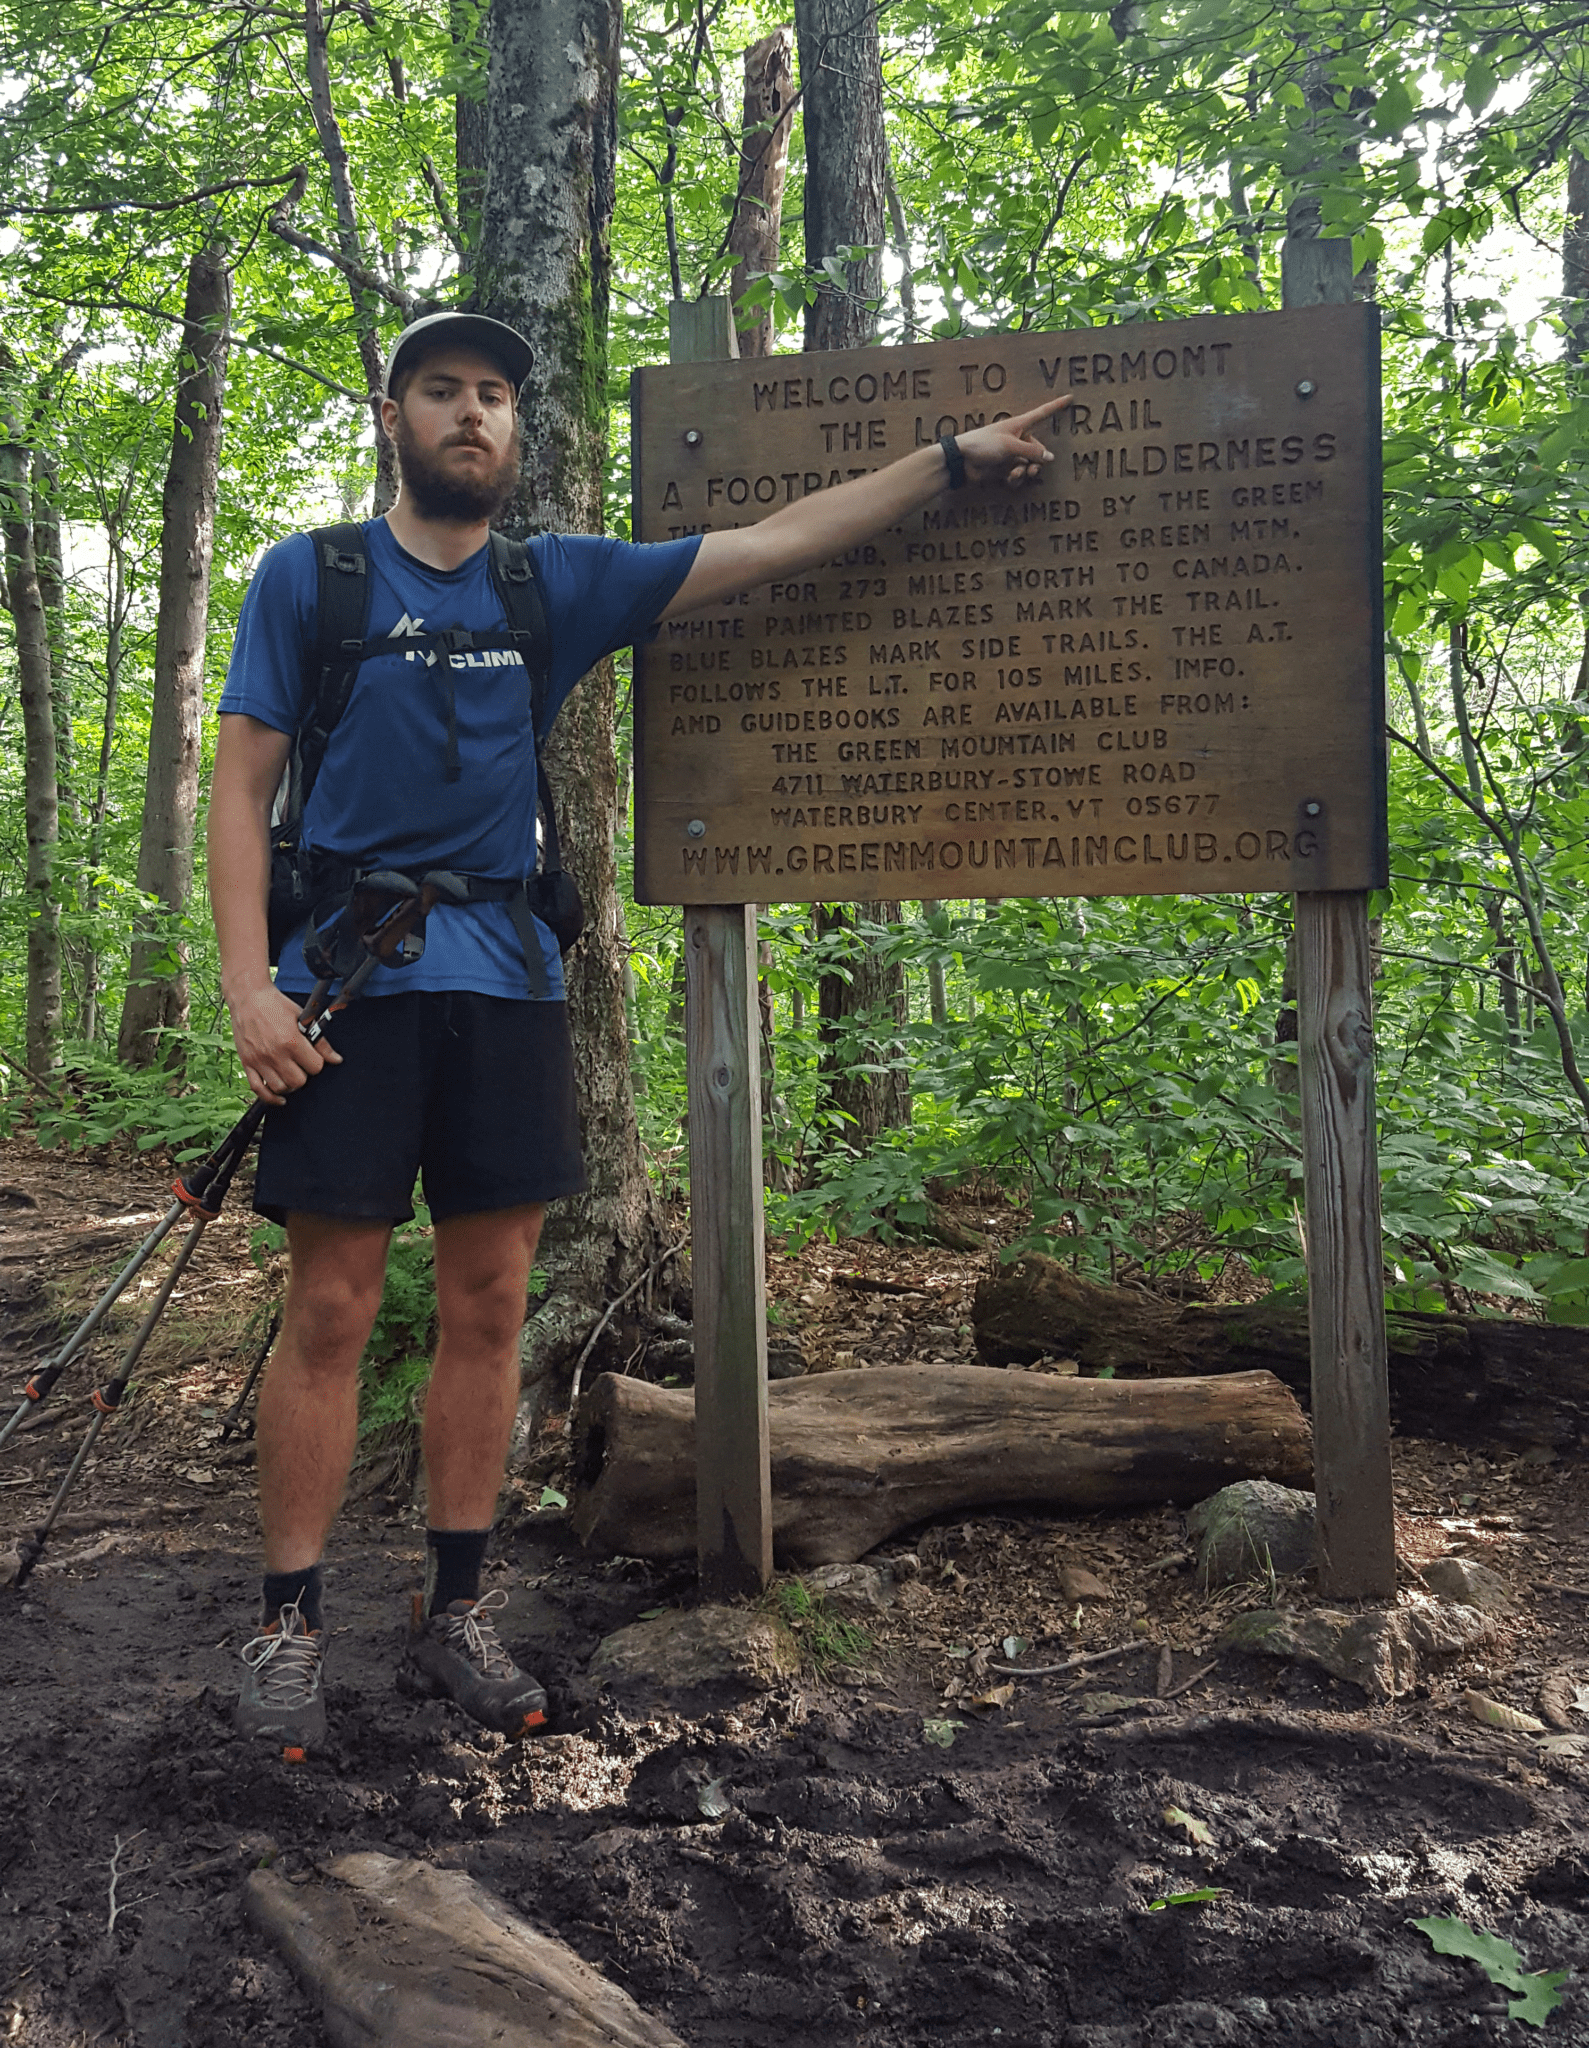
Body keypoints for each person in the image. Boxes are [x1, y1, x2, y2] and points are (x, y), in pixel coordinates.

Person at [209, 308, 1068, 1753]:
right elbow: (239, 790)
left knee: (489, 1306)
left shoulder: (558, 585)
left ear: (515, 431)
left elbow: (771, 545)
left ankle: (455, 1613)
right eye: (442, 393)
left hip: (508, 982)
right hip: (345, 990)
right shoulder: (313, 579)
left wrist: (949, 462)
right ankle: (289, 1622)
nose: (470, 415)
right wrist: (249, 986)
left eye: (493, 396)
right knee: (334, 1309)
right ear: (395, 419)